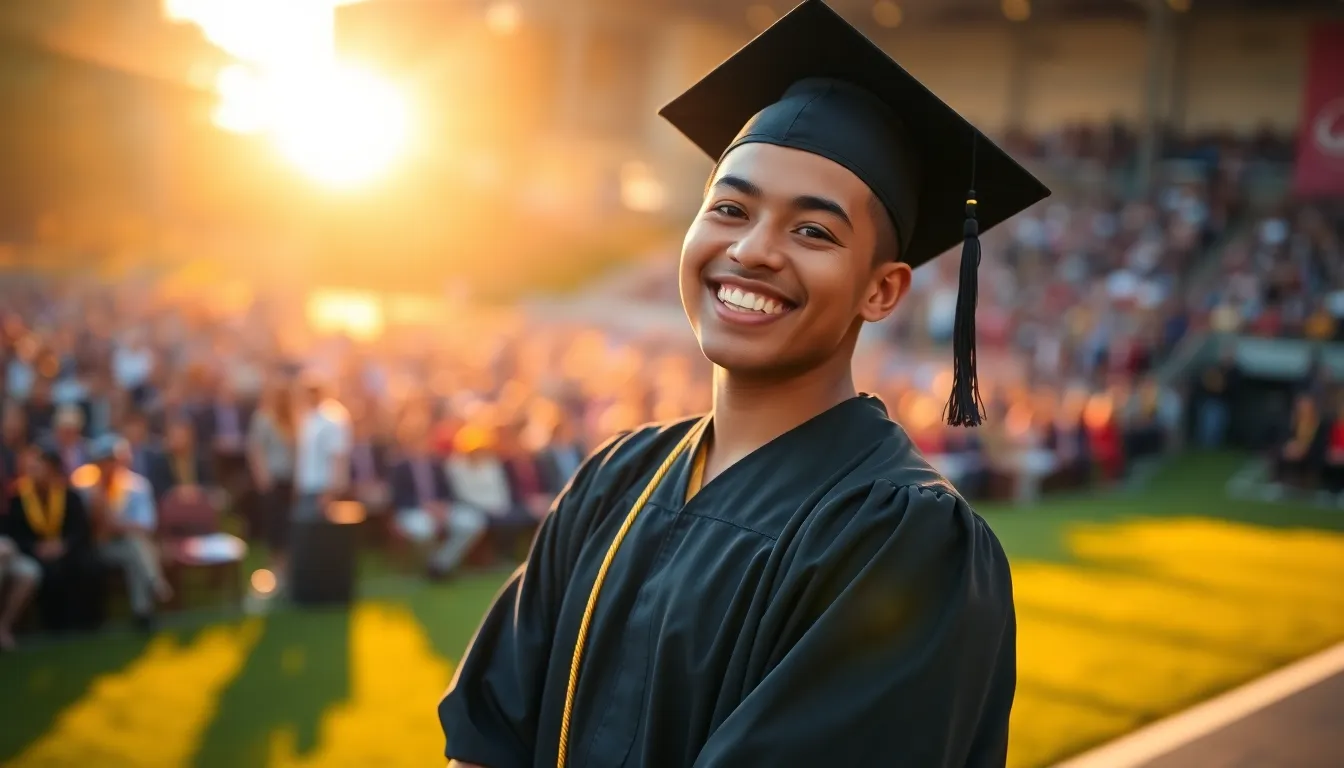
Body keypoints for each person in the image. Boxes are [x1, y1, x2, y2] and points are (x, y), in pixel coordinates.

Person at [437, 3, 1047, 766]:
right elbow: (486, 737)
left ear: (883, 291)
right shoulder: (613, 481)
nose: (752, 251)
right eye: (729, 208)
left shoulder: (903, 542)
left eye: (813, 231)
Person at [2, 445, 96, 634]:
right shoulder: (18, 498)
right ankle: (53, 625)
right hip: (33, 551)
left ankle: (84, 622)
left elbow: (80, 528)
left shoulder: (68, 495)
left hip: (66, 549)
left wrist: (64, 544)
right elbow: (13, 534)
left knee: (87, 566)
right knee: (46, 572)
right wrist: (36, 547)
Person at [84, 435, 173, 631]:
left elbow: (147, 525)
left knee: (135, 550)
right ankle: (154, 583)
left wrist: (117, 525)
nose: (106, 466)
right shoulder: (86, 487)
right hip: (96, 547)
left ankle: (142, 611)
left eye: (110, 460)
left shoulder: (136, 486)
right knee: (138, 548)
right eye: (102, 461)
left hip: (127, 545)